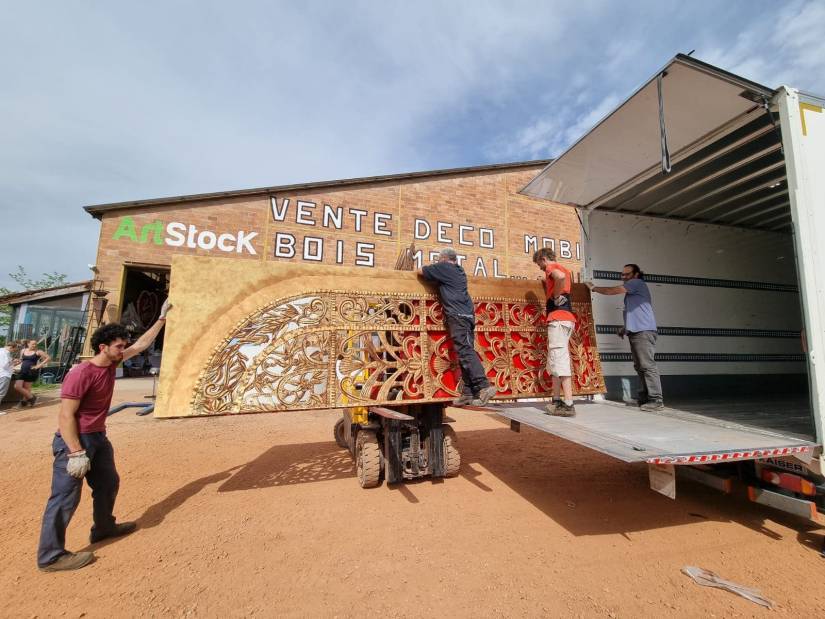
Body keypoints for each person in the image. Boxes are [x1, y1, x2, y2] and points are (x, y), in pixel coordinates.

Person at [37, 300, 172, 572]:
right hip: (75, 441)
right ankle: (50, 557)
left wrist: (161, 318)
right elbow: (65, 416)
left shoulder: (111, 363)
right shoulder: (81, 373)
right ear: (103, 347)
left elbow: (141, 345)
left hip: (98, 437)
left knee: (108, 483)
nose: (124, 350)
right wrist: (75, 452)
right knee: (65, 498)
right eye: (119, 347)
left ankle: (103, 527)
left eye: (124, 346)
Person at [417, 248, 497, 406]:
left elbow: (420, 272)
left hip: (458, 317)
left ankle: (484, 386)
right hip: (465, 316)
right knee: (463, 352)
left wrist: (436, 267)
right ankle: (468, 392)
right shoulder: (458, 270)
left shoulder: (445, 268)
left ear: (444, 259)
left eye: (439, 260)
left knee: (465, 351)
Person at [588, 263, 663, 411]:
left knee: (647, 366)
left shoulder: (636, 283)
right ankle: (645, 398)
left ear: (636, 274)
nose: (624, 277)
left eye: (627, 274)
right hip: (637, 331)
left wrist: (593, 288)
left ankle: (656, 400)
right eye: (622, 274)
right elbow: (636, 312)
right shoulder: (634, 290)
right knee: (640, 367)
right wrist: (625, 328)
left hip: (643, 332)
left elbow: (612, 291)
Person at [533, 248, 577, 417]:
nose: (541, 269)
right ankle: (557, 400)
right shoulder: (564, 268)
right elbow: (561, 279)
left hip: (558, 319)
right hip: (565, 319)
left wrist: (556, 295)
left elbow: (560, 278)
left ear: (544, 259)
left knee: (559, 360)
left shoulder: (553, 268)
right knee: (556, 360)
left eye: (540, 265)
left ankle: (568, 403)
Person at [14, 339, 50, 407]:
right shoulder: (23, 350)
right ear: (28, 344)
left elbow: (48, 358)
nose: (34, 345)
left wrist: (39, 365)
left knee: (27, 388)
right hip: (22, 371)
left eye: (35, 344)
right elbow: (21, 360)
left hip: (31, 371)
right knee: (17, 386)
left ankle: (24, 402)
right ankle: (32, 397)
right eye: (33, 344)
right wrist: (15, 362)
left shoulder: (38, 351)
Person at [0, 340, 21, 414]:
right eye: (15, 349)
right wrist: (14, 362)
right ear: (11, 347)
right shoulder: (6, 353)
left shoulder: (1, 350)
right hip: (4, 375)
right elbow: (5, 365)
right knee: (1, 392)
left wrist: (12, 363)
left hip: (2, 373)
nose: (15, 351)